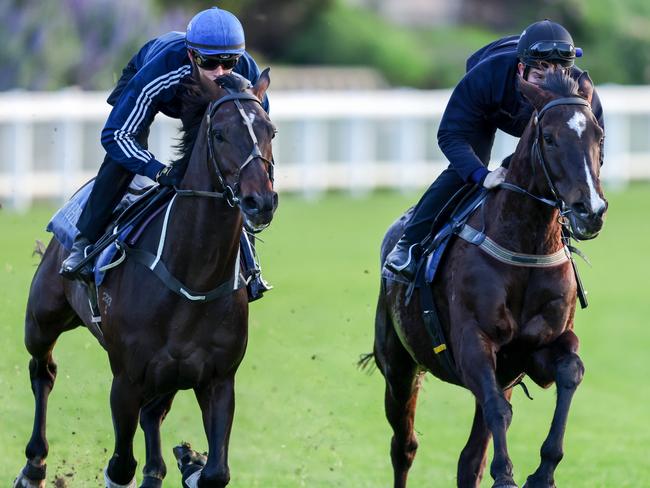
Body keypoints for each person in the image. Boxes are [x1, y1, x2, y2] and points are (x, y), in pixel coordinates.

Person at [60, 7, 271, 295]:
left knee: (234, 167)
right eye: (208, 62)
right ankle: (85, 240)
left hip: (210, 104)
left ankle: (249, 265)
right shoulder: (163, 69)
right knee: (126, 155)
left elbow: (257, 142)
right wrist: (158, 171)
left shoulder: (246, 73)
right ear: (191, 56)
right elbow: (115, 135)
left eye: (229, 61)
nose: (220, 73)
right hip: (158, 80)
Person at [384, 19, 604, 279]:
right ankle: (408, 245)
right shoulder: (487, 75)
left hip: (548, 124)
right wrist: (481, 174)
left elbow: (593, 154)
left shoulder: (581, 94)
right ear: (521, 69)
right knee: (462, 172)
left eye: (556, 76)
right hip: (491, 108)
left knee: (554, 173)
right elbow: (450, 135)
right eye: (538, 76)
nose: (545, 89)